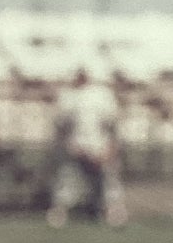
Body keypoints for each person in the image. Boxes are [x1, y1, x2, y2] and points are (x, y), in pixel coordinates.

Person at [47, 68, 127, 228]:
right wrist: (71, 146)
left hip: (100, 145)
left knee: (109, 183)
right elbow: (62, 127)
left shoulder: (103, 94)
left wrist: (109, 149)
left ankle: (114, 215)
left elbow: (111, 125)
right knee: (67, 182)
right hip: (76, 145)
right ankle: (59, 214)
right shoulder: (67, 96)